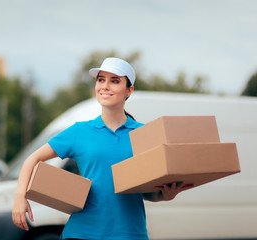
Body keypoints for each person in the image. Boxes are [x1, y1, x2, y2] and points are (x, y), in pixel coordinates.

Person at [12, 57, 193, 239]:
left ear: (129, 90)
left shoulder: (144, 134)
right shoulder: (79, 131)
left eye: (114, 81)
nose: (105, 86)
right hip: (81, 233)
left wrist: (164, 196)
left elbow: (146, 192)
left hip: (130, 234)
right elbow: (32, 159)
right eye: (101, 80)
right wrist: (20, 197)